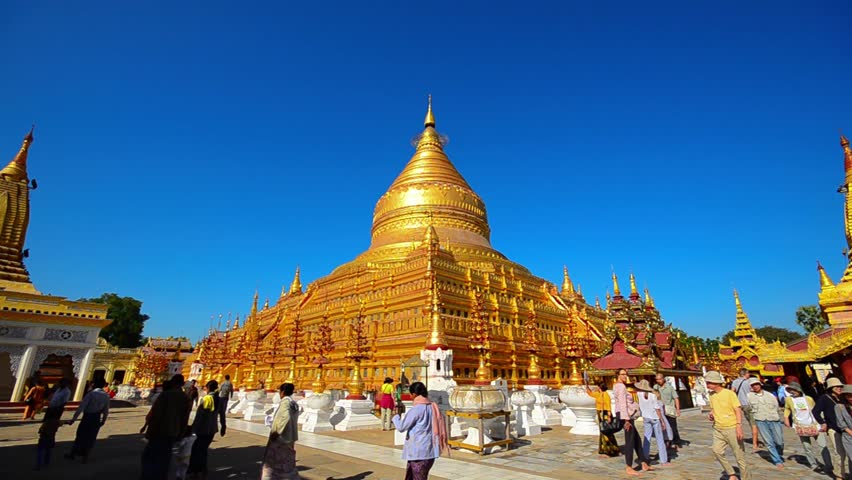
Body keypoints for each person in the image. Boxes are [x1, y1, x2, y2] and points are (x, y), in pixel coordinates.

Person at [392, 381, 449, 480]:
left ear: (414, 394)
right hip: (429, 451)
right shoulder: (433, 407)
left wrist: (395, 417)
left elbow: (401, 427)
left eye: (411, 394)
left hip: (418, 452)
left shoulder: (417, 409)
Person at [141, 374, 191, 480]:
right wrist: (182, 432)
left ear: (172, 383)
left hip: (159, 430)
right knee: (165, 457)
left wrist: (149, 429)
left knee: (150, 456)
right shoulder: (185, 398)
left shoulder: (165, 395)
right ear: (182, 384)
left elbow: (156, 413)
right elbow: (185, 417)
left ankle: (147, 476)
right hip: (173, 431)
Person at [706, 371, 750, 480]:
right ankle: (731, 473)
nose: (707, 385)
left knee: (739, 457)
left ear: (716, 383)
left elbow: (737, 409)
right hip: (718, 428)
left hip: (731, 427)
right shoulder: (711, 395)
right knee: (717, 450)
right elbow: (713, 409)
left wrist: (739, 426)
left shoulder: (729, 394)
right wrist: (711, 414)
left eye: (709, 383)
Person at [614, 369, 650, 476]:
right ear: (617, 375)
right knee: (629, 441)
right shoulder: (621, 387)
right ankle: (629, 467)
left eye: (626, 374)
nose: (625, 376)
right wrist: (626, 420)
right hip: (626, 416)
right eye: (622, 374)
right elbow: (622, 403)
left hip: (626, 415)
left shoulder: (618, 386)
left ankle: (643, 463)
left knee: (636, 439)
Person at [65, 378, 110, 463]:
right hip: (96, 418)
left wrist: (73, 419)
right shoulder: (106, 396)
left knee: (80, 435)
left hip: (87, 417)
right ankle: (85, 457)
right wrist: (103, 420)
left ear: (94, 384)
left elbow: (81, 407)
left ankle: (73, 453)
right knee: (91, 437)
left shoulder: (91, 394)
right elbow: (106, 410)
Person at [261, 383, 300, 480]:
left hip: (281, 438)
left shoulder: (285, 403)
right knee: (287, 459)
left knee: (274, 461)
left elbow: (285, 417)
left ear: (282, 392)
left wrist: (277, 432)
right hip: (290, 436)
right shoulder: (293, 403)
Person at [783, 381, 824, 472]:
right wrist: (786, 418)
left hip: (814, 424)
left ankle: (828, 465)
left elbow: (815, 410)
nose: (793, 391)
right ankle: (813, 464)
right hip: (801, 425)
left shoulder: (808, 398)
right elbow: (787, 408)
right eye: (791, 390)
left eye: (794, 389)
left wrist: (822, 422)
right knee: (807, 446)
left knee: (822, 445)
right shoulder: (789, 400)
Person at [813, 376, 847, 480]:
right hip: (834, 428)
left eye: (840, 386)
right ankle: (839, 474)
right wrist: (823, 422)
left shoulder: (843, 397)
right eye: (835, 386)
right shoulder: (824, 398)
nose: (838, 388)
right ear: (830, 387)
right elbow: (815, 411)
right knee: (839, 452)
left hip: (846, 428)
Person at [747, 377, 784, 468]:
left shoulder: (769, 395)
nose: (755, 387)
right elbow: (750, 408)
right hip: (760, 420)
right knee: (768, 441)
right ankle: (777, 460)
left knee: (779, 441)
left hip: (773, 419)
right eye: (753, 385)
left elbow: (776, 406)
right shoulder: (749, 396)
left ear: (760, 384)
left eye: (756, 384)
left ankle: (779, 453)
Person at [187, 380, 220, 479]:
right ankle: (202, 469)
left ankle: (195, 471)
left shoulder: (207, 398)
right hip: (212, 428)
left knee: (197, 449)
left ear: (208, 388)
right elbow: (221, 413)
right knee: (203, 449)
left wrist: (193, 427)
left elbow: (201, 415)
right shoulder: (219, 399)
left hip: (203, 428)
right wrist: (223, 426)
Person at [636, 380, 669, 466]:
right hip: (654, 418)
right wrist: (662, 421)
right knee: (660, 439)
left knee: (647, 438)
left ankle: (645, 457)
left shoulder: (639, 395)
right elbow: (657, 409)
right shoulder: (652, 396)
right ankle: (663, 460)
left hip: (646, 417)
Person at [585, 382, 620, 457]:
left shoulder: (606, 395)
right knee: (603, 430)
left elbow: (608, 406)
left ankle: (609, 450)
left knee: (606, 431)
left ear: (600, 387)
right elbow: (591, 394)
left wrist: (609, 416)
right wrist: (587, 388)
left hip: (605, 414)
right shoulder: (599, 394)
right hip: (600, 413)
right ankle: (605, 449)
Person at [730, 369, 759, 451]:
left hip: (740, 404)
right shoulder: (749, 382)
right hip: (750, 404)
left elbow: (732, 392)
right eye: (748, 373)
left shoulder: (735, 381)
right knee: (754, 424)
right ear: (746, 374)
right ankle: (755, 444)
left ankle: (743, 439)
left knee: (745, 422)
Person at [654, 373, 681, 449]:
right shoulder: (655, 387)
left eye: (659, 379)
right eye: (657, 379)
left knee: (673, 426)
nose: (658, 381)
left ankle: (676, 441)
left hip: (669, 409)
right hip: (660, 410)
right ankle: (667, 441)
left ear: (663, 379)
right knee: (664, 427)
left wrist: (678, 409)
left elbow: (676, 398)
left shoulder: (670, 388)